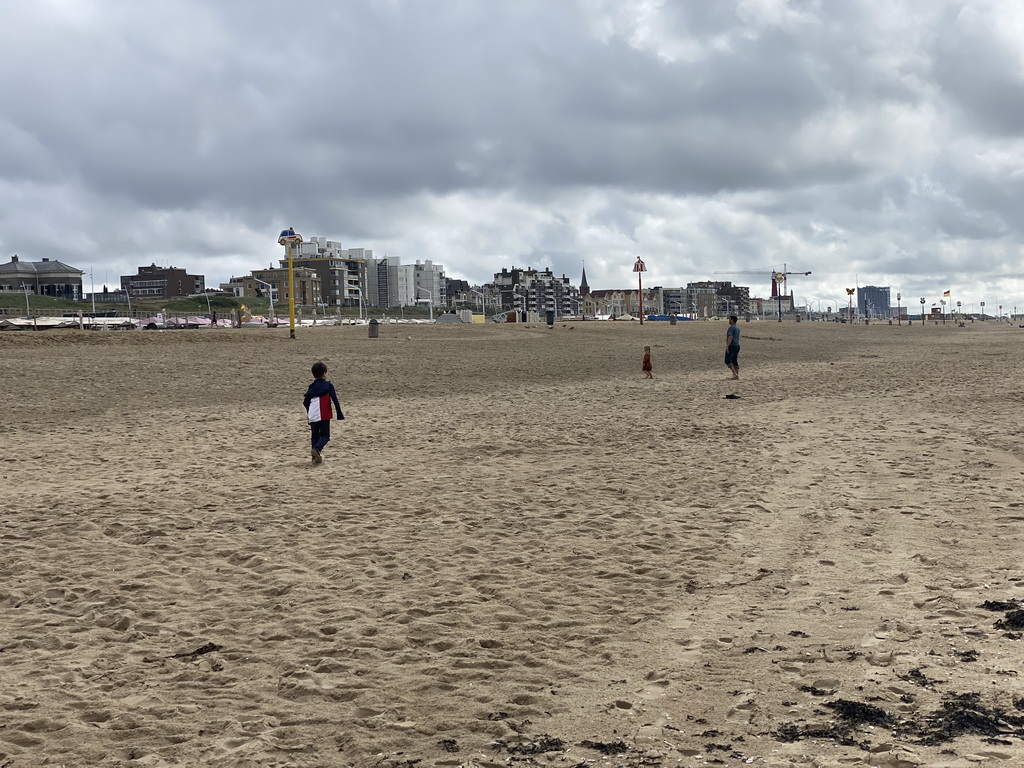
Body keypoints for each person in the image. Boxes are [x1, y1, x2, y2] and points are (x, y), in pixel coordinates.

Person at [303, 361, 344, 465]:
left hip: (312, 414)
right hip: (323, 413)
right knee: (325, 435)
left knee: (315, 436)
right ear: (325, 373)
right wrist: (339, 414)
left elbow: (305, 401)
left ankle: (314, 458)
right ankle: (317, 449)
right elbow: (334, 399)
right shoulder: (328, 385)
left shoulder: (311, 387)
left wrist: (309, 412)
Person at [725, 315, 740, 380]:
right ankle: (736, 375)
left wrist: (727, 346)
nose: (729, 320)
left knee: (727, 360)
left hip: (732, 345)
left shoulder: (731, 328)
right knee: (734, 360)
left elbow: (730, 337)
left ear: (733, 320)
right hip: (737, 346)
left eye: (730, 319)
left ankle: (734, 374)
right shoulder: (737, 328)